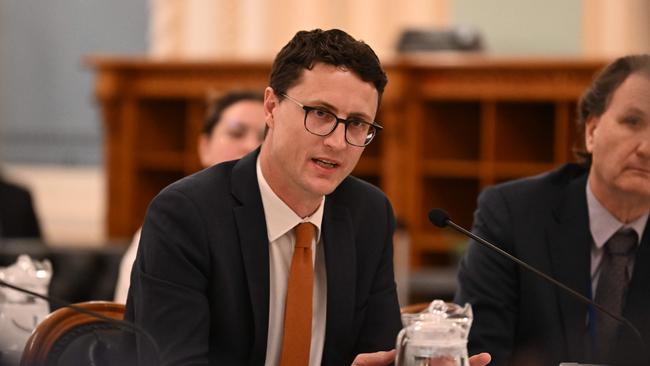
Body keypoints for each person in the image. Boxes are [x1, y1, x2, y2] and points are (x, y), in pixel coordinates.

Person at [125, 29, 490, 366]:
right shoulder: (188, 213)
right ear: (271, 107)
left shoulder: (367, 214)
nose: (336, 141)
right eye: (320, 114)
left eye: (358, 123)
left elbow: (377, 351)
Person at [455, 54, 650, 366]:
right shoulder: (511, 215)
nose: (647, 148)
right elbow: (480, 352)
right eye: (633, 122)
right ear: (591, 131)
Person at [114, 90, 265, 303]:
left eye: (265, 137)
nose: (251, 146)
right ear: (204, 147)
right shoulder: (172, 223)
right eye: (236, 133)